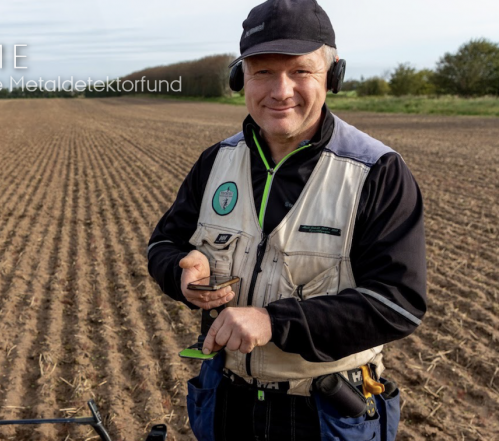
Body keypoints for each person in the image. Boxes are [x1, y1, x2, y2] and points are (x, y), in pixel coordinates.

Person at [146, 0, 427, 439]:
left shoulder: (377, 172)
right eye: (262, 71)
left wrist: (274, 321)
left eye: (300, 71)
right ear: (241, 78)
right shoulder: (216, 162)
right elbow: (162, 245)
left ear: (331, 75)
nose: (280, 90)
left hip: (325, 414)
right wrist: (181, 274)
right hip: (226, 401)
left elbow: (397, 303)